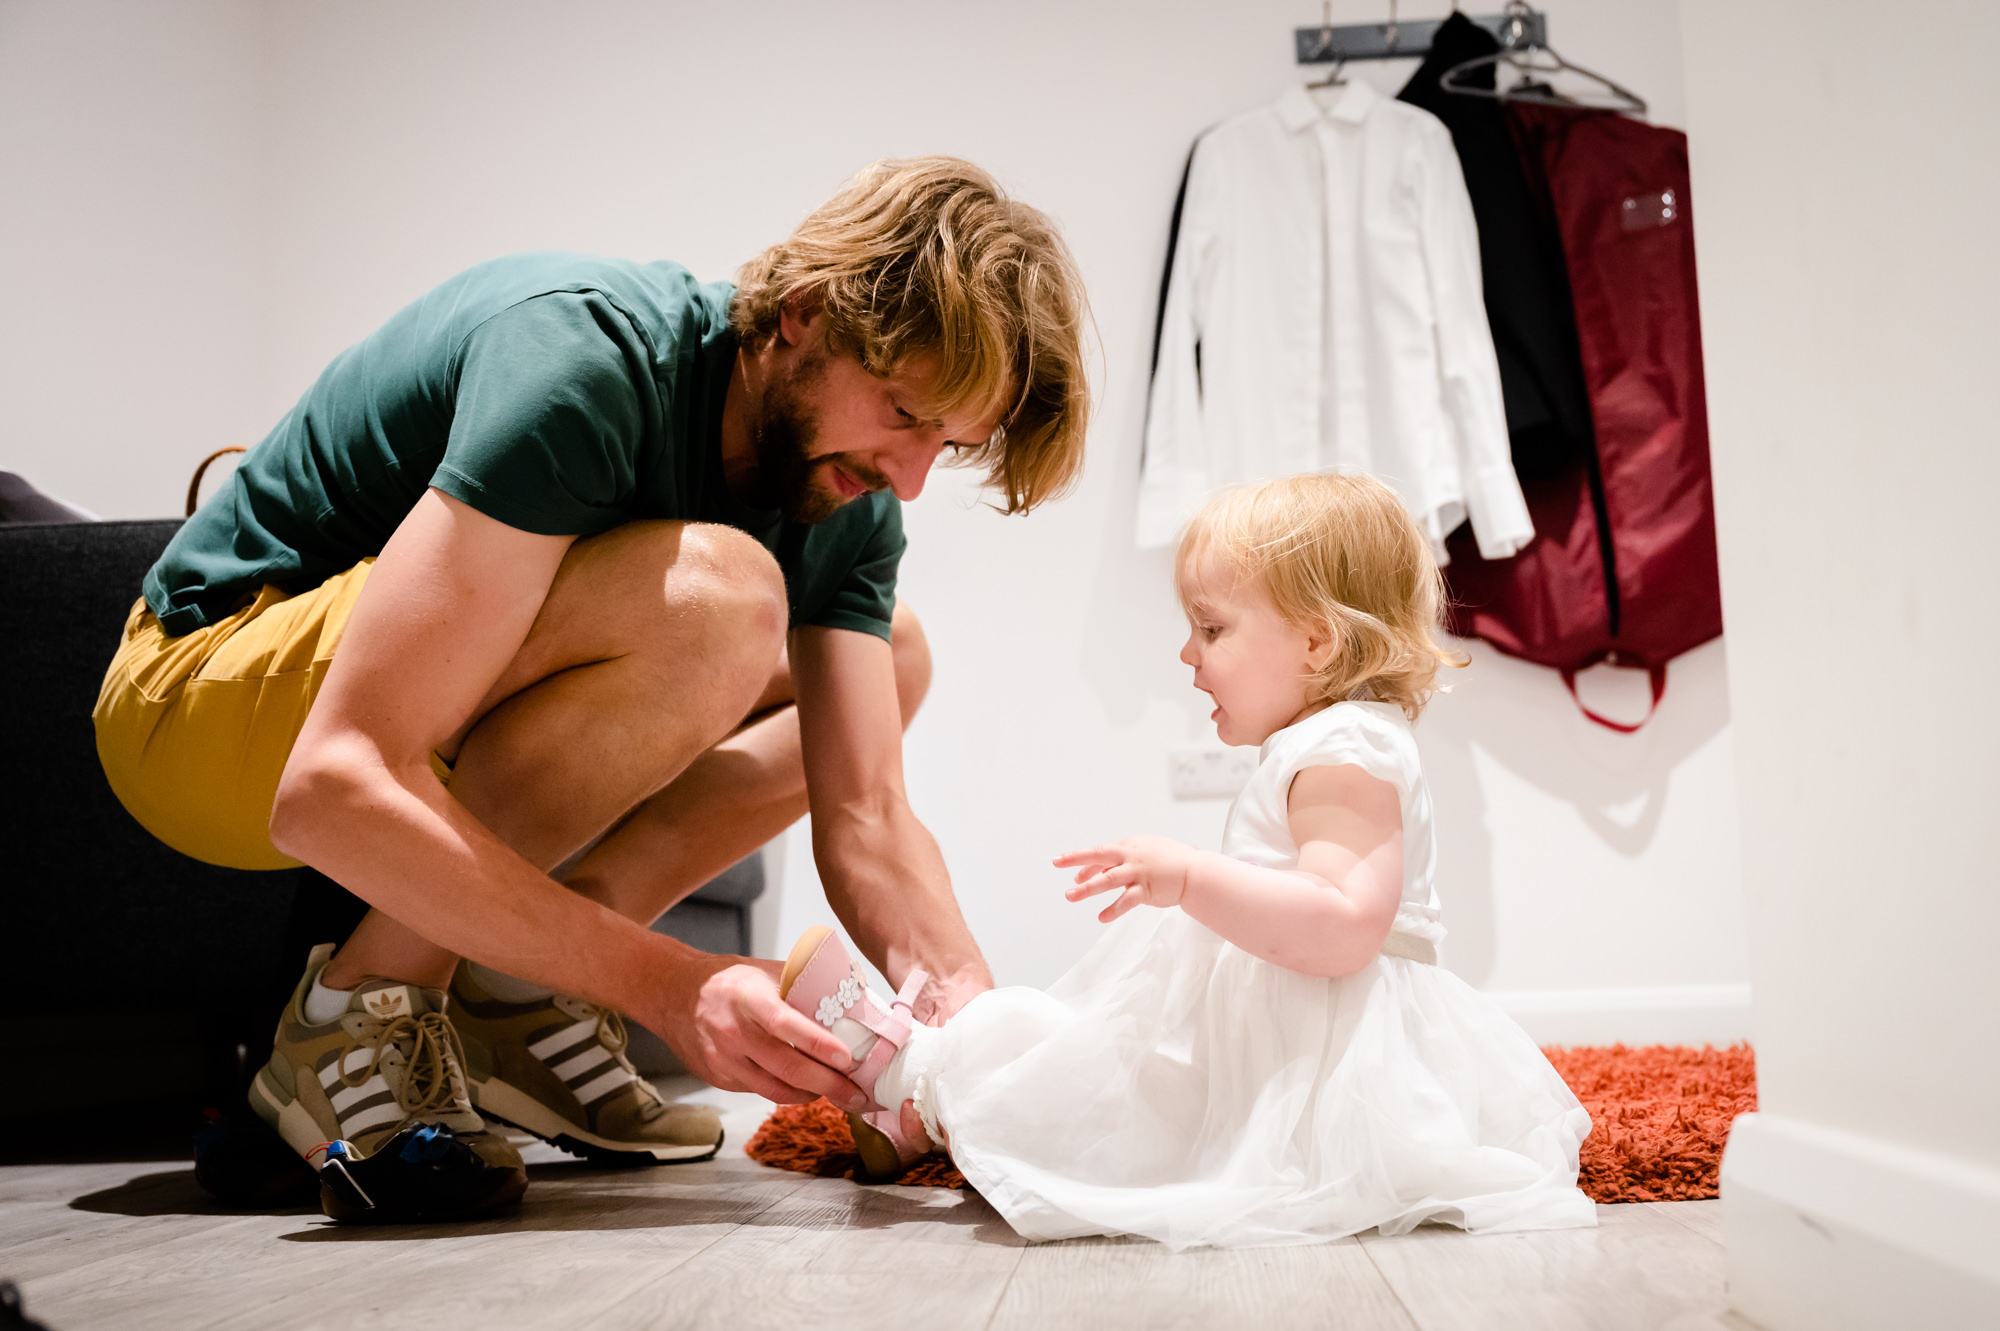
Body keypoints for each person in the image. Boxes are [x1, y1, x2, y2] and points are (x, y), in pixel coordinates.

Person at [91, 157, 1090, 1220]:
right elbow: (335, 781)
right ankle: (354, 1012)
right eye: (900, 411)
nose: (909, 477)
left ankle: (514, 990)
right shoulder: (586, 363)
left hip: (385, 725)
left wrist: (976, 1033)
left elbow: (868, 816)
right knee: (726, 598)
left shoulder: (851, 504)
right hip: (192, 702)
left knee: (891, 653)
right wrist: (667, 980)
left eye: (947, 443)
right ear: (804, 313)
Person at [777, 472, 1595, 1248]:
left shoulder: (1348, 749)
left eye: (1212, 628)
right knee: (1087, 1060)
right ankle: (930, 1099)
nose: (1186, 654)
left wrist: (1192, 877)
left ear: (1316, 640)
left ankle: (902, 1072)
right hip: (1268, 1040)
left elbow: (1346, 928)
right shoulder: (1330, 742)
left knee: (1111, 1104)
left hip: (1313, 1075)